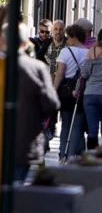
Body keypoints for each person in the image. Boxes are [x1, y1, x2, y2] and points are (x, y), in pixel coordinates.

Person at [1, 22, 60, 182]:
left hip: (15, 142)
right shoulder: (36, 68)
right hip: (24, 142)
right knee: (16, 190)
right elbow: (51, 104)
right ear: (26, 42)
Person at [54, 24, 88, 162]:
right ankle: (75, 154)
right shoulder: (88, 52)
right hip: (82, 90)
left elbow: (60, 73)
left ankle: (63, 154)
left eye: (68, 37)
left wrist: (53, 89)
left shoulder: (65, 52)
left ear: (74, 37)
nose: (67, 40)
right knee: (78, 125)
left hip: (66, 92)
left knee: (66, 123)